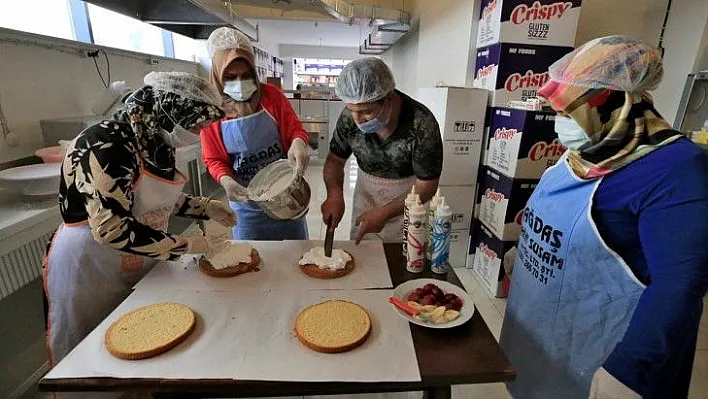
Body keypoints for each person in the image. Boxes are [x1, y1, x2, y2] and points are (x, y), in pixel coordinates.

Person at [500, 35, 708, 399]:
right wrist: (526, 251)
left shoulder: (678, 170)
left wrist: (627, 370)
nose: (560, 123)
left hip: (604, 351)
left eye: (569, 113)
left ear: (616, 102)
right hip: (544, 329)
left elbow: (680, 283)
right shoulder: (592, 148)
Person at [43, 71, 234, 368]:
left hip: (139, 254)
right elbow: (111, 229)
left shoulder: (155, 141)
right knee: (91, 358)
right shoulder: (106, 143)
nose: (198, 133)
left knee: (140, 343)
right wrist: (188, 245)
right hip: (91, 264)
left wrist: (205, 208)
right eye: (195, 124)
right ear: (170, 111)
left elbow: (149, 198)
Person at [201, 27, 310, 240]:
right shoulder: (211, 111)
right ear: (216, 75)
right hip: (247, 207)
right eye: (230, 77)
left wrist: (298, 141)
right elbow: (214, 159)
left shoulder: (271, 96)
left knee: (294, 258)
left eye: (246, 75)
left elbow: (294, 129)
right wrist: (225, 180)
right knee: (252, 262)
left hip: (285, 197)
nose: (239, 83)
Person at [321, 58, 443, 243]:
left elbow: (427, 187)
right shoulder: (350, 118)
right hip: (366, 199)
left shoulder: (421, 124)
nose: (357, 119)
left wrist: (385, 213)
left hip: (409, 206)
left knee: (402, 261)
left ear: (389, 98)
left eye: (367, 111)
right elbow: (335, 161)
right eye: (351, 110)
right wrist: (334, 194)